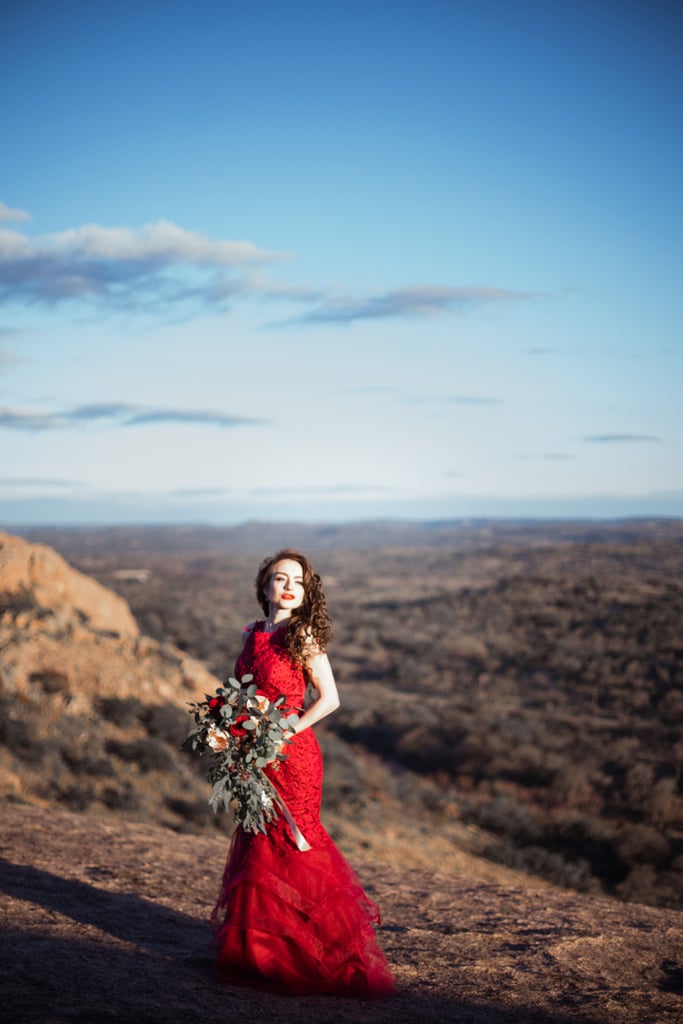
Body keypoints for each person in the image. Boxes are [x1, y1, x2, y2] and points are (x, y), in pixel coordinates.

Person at [210, 548, 395, 998]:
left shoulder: (303, 634)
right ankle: (258, 951)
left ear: (307, 592)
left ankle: (309, 953)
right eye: (281, 578)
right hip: (255, 754)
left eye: (298, 581)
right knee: (258, 837)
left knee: (293, 840)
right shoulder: (252, 633)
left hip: (293, 757)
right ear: (264, 585)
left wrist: (279, 734)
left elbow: (330, 699)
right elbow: (244, 694)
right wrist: (232, 732)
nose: (290, 587)